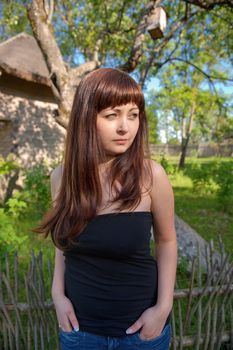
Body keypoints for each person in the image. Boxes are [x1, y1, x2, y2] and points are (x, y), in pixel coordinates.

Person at [35, 67, 177, 350]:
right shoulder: (61, 178)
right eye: (112, 115)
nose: (125, 127)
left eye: (133, 115)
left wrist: (162, 307)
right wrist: (57, 294)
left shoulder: (152, 176)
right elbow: (64, 243)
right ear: (87, 119)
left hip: (140, 333)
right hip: (80, 332)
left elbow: (167, 240)